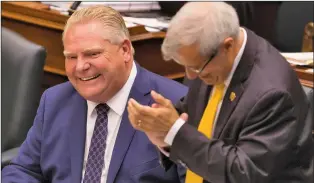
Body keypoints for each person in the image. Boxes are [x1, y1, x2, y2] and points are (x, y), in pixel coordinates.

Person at [127, 2, 313, 183]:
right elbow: (191, 120)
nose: (191, 75)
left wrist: (174, 133)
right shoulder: (212, 59)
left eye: (196, 67)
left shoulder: (272, 94)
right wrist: (162, 132)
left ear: (228, 46)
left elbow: (241, 173)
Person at [2, 6, 188, 183]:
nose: (81, 67)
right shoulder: (55, 100)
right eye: (71, 57)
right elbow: (25, 170)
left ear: (124, 50)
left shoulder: (175, 103)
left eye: (92, 54)